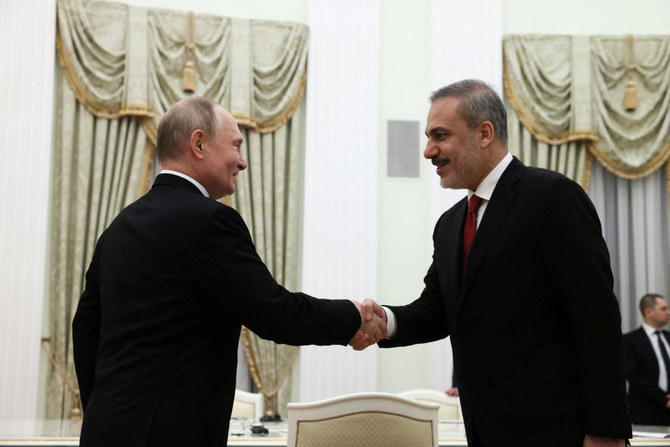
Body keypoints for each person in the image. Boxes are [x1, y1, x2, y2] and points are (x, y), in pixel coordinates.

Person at [72, 97, 386, 447]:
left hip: (104, 431)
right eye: (236, 146)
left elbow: (85, 328)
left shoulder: (119, 226)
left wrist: (103, 409)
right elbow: (275, 313)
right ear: (198, 143)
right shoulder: (211, 221)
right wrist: (352, 316)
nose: (242, 161)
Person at [357, 79, 631, 446]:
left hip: (558, 430)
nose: (428, 151)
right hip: (484, 429)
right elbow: (440, 310)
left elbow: (596, 319)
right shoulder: (450, 224)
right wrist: (386, 321)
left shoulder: (552, 197)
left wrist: (606, 432)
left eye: (440, 136)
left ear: (484, 133)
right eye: (428, 137)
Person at [624, 293, 670, 425]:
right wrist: (664, 400)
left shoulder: (668, 337)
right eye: (663, 309)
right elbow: (634, 375)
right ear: (648, 312)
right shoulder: (630, 340)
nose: (668, 312)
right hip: (646, 412)